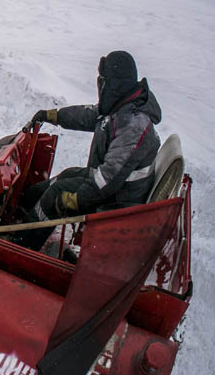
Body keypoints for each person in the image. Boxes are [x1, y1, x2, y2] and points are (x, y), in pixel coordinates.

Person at [13, 50, 162, 253]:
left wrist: (77, 200)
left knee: (56, 196)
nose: (101, 84)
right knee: (65, 176)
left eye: (104, 80)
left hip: (120, 200)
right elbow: (88, 115)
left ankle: (21, 245)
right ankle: (20, 213)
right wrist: (52, 116)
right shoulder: (120, 106)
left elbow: (109, 177)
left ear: (114, 83)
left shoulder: (133, 124)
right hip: (115, 188)